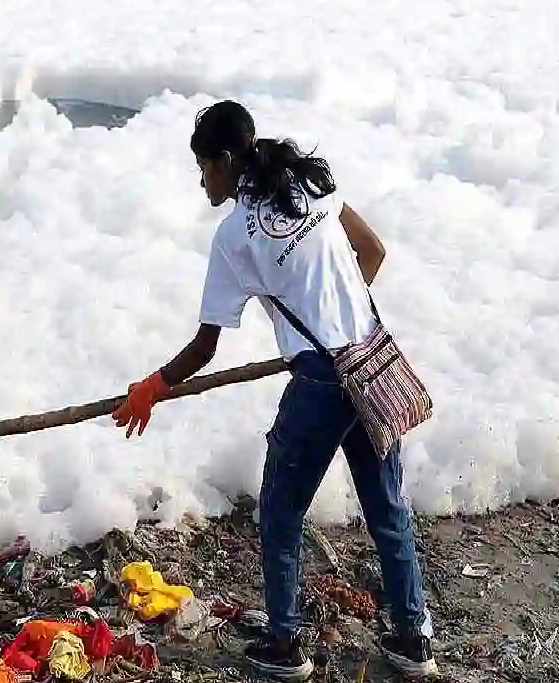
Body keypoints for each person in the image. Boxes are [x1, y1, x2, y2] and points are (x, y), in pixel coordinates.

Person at [111, 100, 438, 681]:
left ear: (228, 160)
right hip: (369, 360)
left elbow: (205, 348)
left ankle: (286, 646)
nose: (202, 179)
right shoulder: (311, 181)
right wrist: (332, 315)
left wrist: (151, 388)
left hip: (320, 382)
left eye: (205, 166)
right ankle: (413, 640)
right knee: (387, 507)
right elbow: (373, 252)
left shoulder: (234, 237)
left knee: (281, 512)